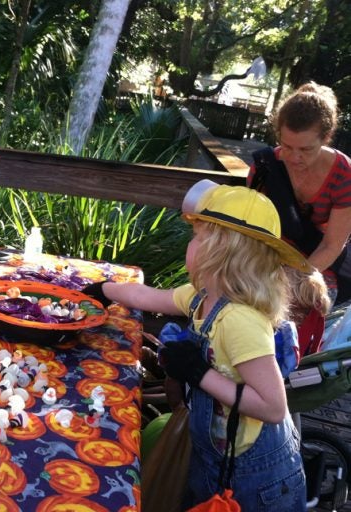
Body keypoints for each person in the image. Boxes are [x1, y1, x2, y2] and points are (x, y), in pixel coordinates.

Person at [84, 181, 309, 510]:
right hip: (216, 461)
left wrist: (200, 373)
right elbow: (148, 296)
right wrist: (104, 290)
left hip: (259, 482)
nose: (191, 243)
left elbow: (273, 407)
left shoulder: (240, 321)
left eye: (197, 236)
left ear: (221, 250)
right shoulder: (203, 297)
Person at [249, 82, 351, 304]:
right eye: (286, 146)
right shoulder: (266, 167)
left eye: (306, 149)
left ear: (326, 138)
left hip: (317, 266)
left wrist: (292, 280)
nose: (294, 158)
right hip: (266, 262)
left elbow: (331, 245)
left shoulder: (344, 174)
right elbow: (249, 227)